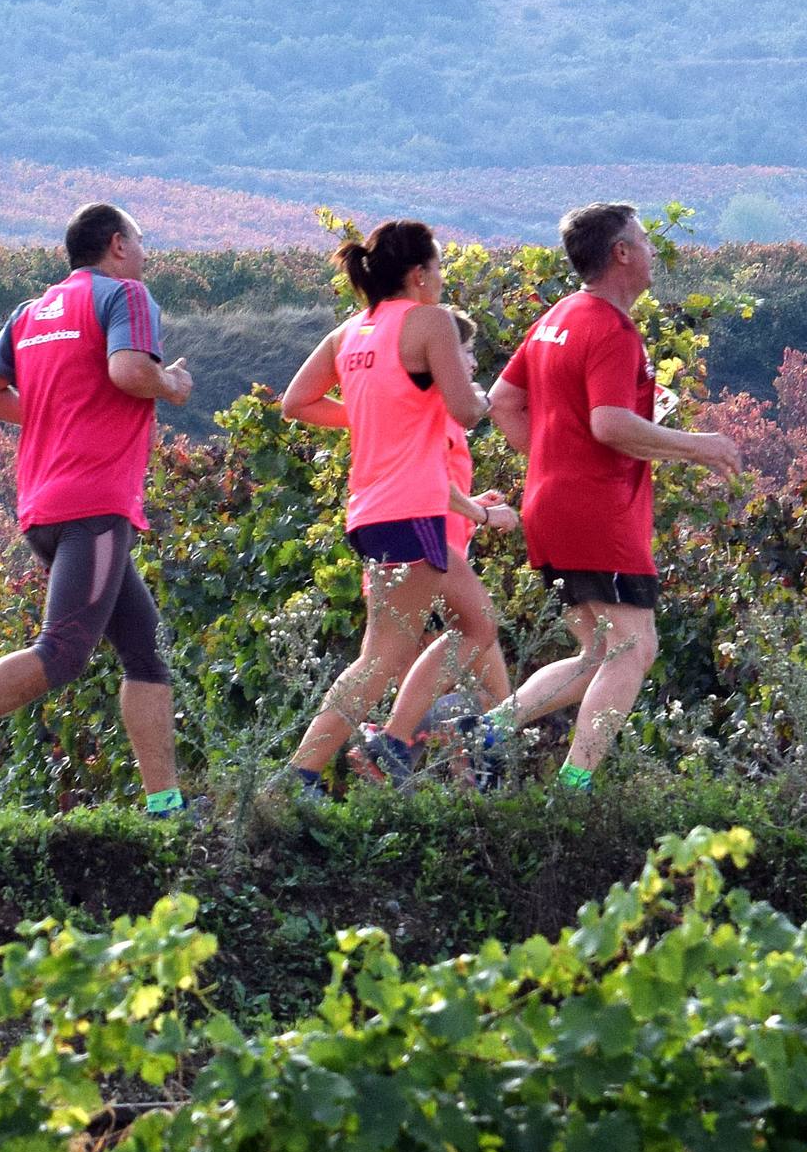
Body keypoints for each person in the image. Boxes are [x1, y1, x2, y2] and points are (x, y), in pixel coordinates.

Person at [0, 202, 194, 818]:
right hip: (94, 502)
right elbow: (131, 371)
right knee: (64, 651)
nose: (146, 250)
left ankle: (166, 805)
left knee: (145, 651)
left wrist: (55, 418)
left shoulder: (33, 312)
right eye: (141, 237)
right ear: (117, 246)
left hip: (45, 502)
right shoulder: (126, 297)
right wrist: (171, 386)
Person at [482, 203, 743, 790]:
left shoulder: (557, 317)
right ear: (621, 253)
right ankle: (575, 790)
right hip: (598, 511)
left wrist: (553, 462)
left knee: (597, 653)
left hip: (548, 507)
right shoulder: (611, 328)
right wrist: (699, 445)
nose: (653, 251)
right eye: (645, 240)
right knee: (634, 649)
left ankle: (487, 733)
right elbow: (609, 424)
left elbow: (501, 401)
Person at [271, 222, 516, 795]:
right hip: (412, 510)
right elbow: (466, 409)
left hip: (376, 508)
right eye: (439, 269)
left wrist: (371, 410)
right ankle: (307, 772)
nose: (442, 280)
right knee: (384, 656)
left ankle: (381, 747)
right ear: (419, 274)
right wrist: (486, 396)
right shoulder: (430, 322)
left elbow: (296, 402)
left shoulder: (349, 335)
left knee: (473, 624)